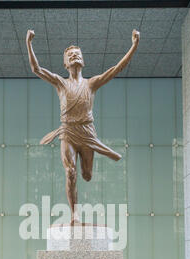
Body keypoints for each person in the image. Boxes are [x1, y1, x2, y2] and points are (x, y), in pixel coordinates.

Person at [26, 29, 140, 223]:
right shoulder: (60, 83)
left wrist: (134, 45)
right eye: (70, 55)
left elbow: (116, 69)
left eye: (78, 54)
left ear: (83, 61)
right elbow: (36, 69)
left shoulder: (91, 84)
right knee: (70, 172)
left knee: (86, 174)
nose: (74, 56)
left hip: (87, 133)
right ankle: (74, 214)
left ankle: (86, 172)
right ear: (65, 63)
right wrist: (28, 42)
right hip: (68, 132)